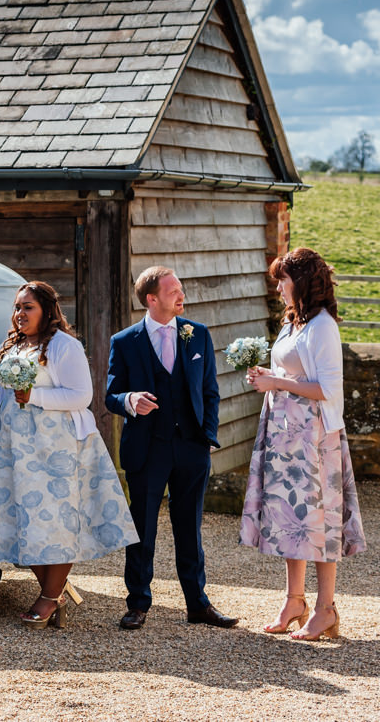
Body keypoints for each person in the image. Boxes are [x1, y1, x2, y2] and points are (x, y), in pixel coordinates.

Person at [0, 281, 135, 628]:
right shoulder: (12, 345)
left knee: (57, 524)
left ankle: (49, 596)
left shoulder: (64, 345)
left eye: (28, 307)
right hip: (15, 447)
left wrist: (34, 398)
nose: (20, 314)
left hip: (56, 449)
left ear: (47, 310)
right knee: (23, 521)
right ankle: (54, 591)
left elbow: (81, 396)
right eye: (17, 307)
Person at [240, 248, 366, 641]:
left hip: (313, 438)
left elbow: (327, 388)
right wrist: (268, 375)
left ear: (303, 283)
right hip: (284, 433)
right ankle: (295, 600)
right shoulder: (294, 323)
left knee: (319, 521)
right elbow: (290, 372)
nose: (278, 287)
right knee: (289, 520)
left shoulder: (323, 325)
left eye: (283, 280)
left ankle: (326, 608)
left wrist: (277, 382)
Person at [106, 266, 237, 631]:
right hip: (148, 448)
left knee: (189, 528)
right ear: (152, 299)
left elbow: (210, 392)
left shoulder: (198, 335)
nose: (181, 296)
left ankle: (198, 604)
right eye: (174, 291)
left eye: (180, 290)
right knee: (142, 529)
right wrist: (131, 399)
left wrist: (206, 438)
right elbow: (110, 396)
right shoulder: (125, 341)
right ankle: (137, 604)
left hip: (192, 447)